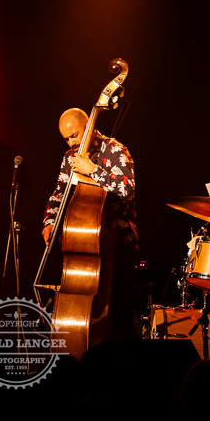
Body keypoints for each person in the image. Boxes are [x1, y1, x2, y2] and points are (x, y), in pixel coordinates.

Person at [41, 108, 138, 340]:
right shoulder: (70, 157)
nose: (71, 142)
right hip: (85, 241)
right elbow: (59, 194)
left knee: (119, 315)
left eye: (74, 135)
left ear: (90, 126)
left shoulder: (115, 149)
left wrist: (93, 170)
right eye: (67, 139)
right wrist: (49, 221)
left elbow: (127, 190)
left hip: (118, 241)